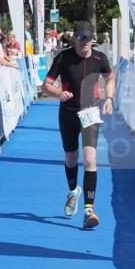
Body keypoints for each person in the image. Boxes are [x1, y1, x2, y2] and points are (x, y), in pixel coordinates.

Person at [43, 20, 115, 230]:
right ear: (74, 38)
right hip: (68, 113)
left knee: (90, 158)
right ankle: (73, 191)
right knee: (70, 157)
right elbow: (46, 85)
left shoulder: (100, 58)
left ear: (93, 39)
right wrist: (58, 92)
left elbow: (110, 78)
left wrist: (109, 98)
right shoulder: (63, 57)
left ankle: (88, 210)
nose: (85, 42)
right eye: (81, 37)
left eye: (88, 38)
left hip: (90, 112)